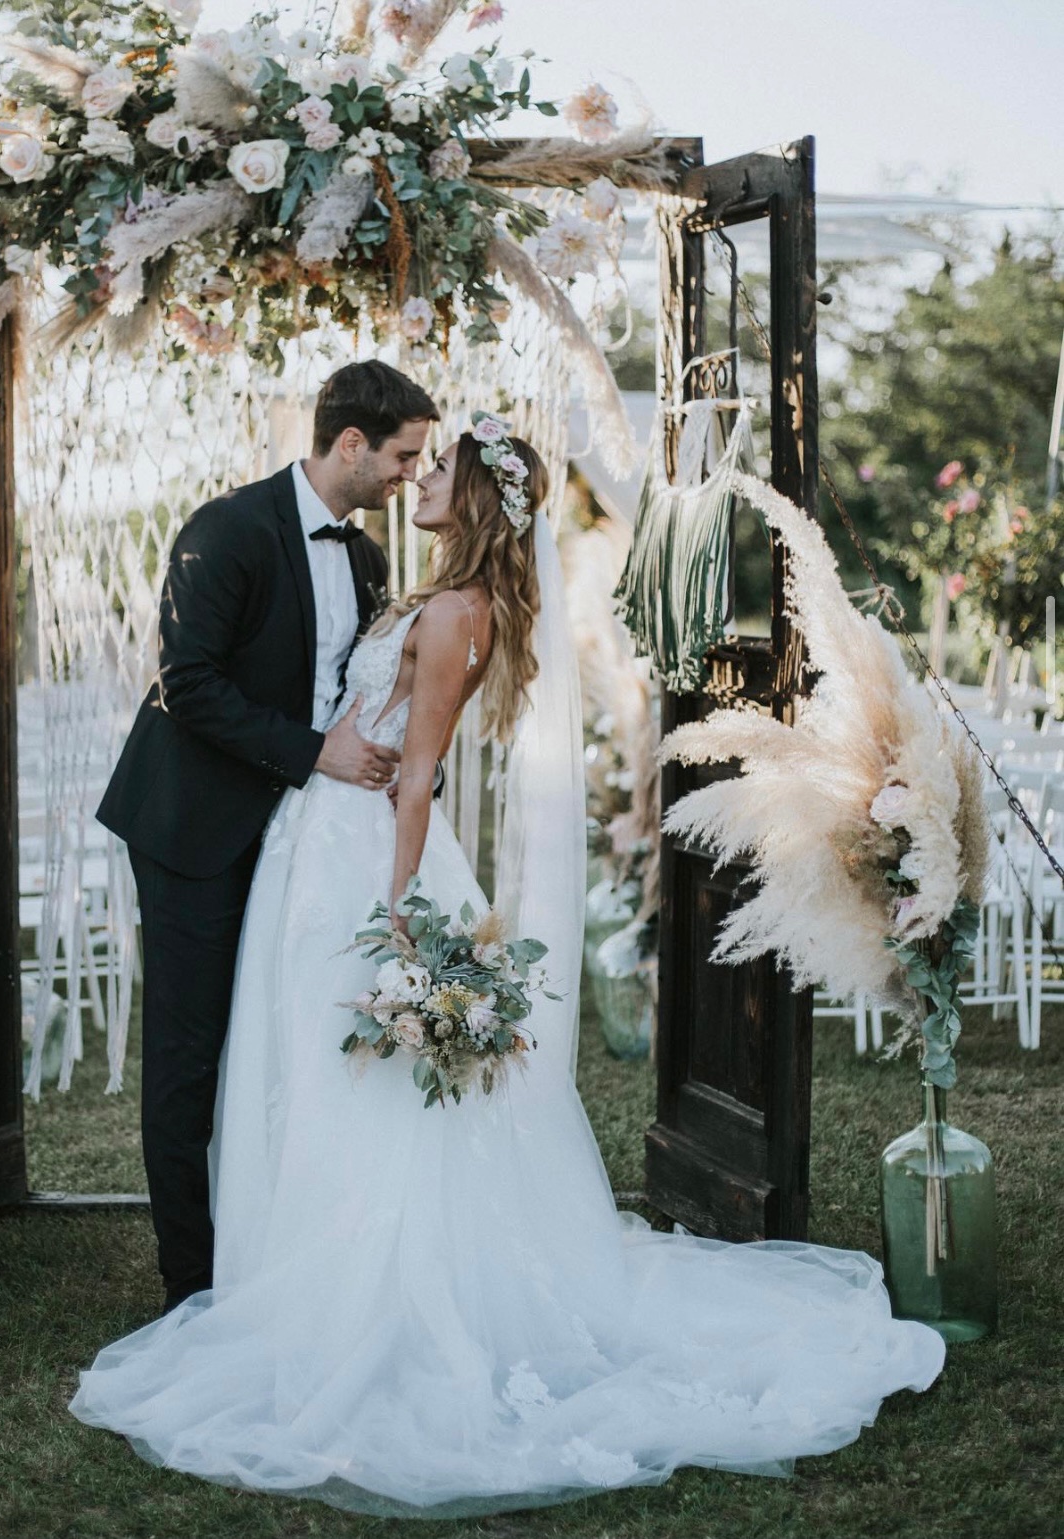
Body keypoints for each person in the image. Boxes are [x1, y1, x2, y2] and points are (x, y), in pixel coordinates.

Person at [72, 418, 945, 1518]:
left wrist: (393, 912)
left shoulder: (454, 614)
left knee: (356, 1079)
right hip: (318, 839)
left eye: (435, 469)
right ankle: (272, 1268)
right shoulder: (429, 592)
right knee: (308, 1063)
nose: (417, 479)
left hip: (366, 860)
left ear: (478, 499)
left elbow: (420, 772)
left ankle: (351, 1295)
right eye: (411, 459)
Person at [95, 360, 439, 1315]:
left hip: (297, 839)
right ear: (352, 444)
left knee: (272, 1042)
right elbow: (186, 680)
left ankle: (260, 1251)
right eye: (405, 456)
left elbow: (355, 695)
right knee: (188, 1049)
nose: (414, 474)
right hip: (193, 826)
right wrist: (311, 754)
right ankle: (189, 1284)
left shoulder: (368, 559)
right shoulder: (228, 529)